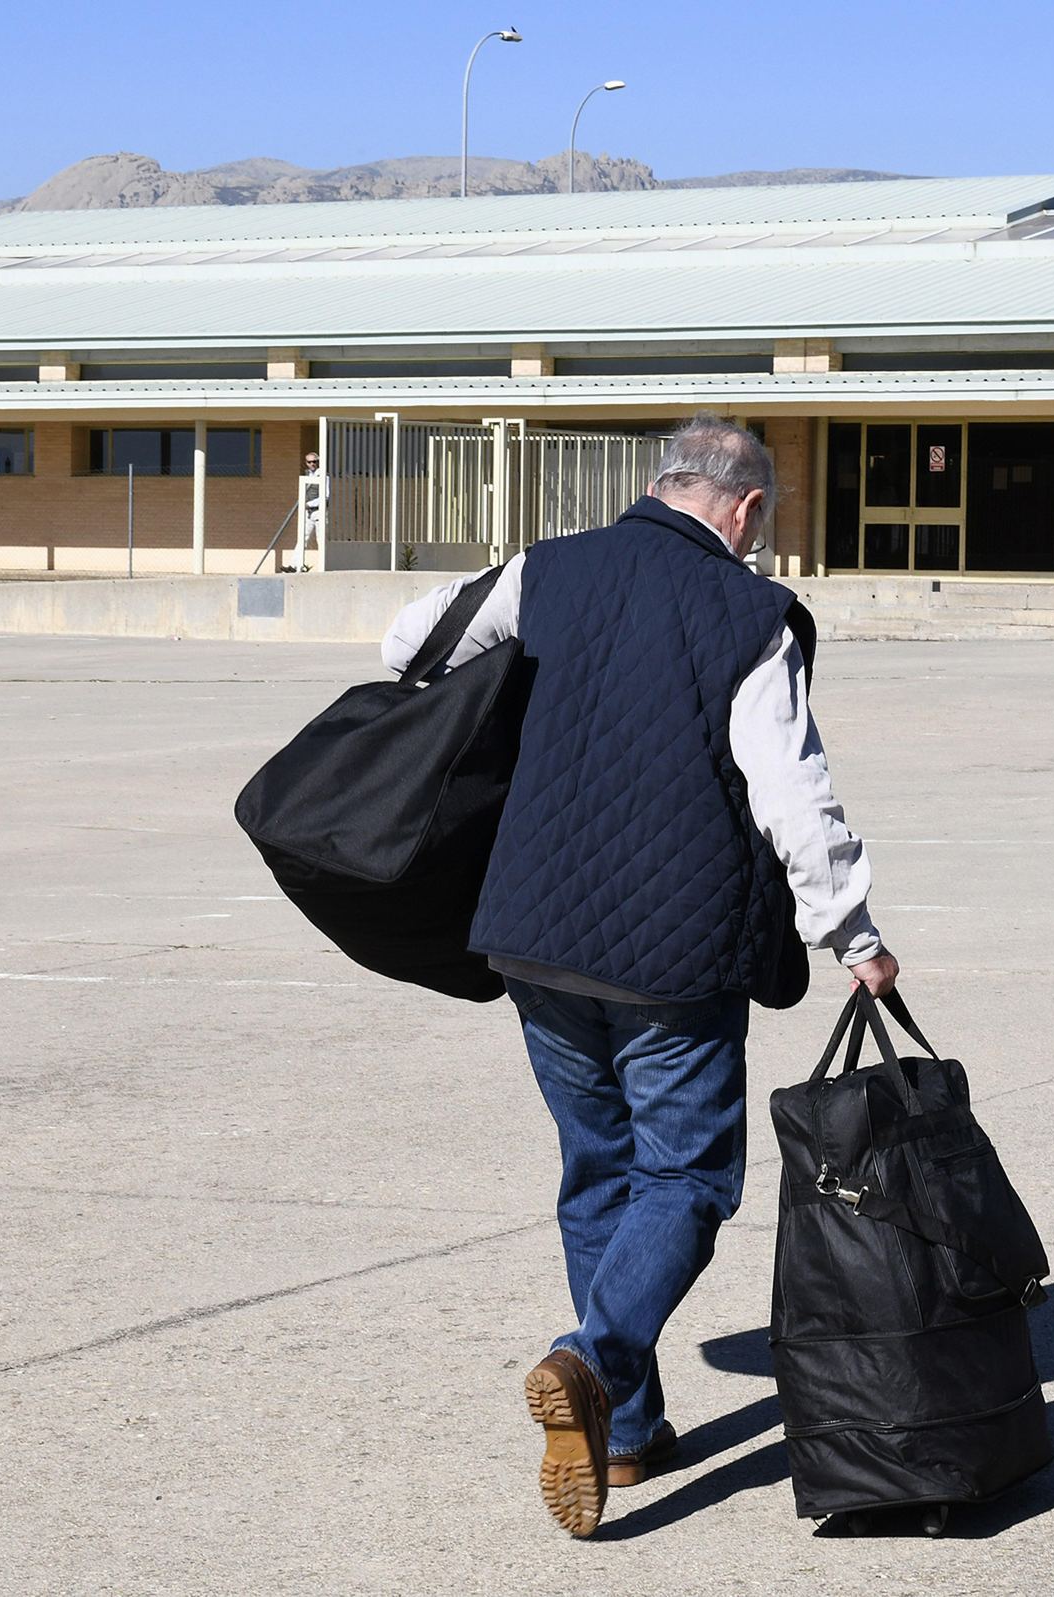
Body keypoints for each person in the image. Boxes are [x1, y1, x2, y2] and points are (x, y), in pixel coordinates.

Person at [378, 414, 897, 1539]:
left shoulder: (553, 565)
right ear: (747, 509)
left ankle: (623, 1432)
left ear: (660, 485)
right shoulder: (750, 613)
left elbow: (408, 641)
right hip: (673, 953)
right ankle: (592, 1359)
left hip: (529, 929)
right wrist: (852, 934)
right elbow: (792, 792)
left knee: (597, 1168)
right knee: (689, 1179)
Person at [288, 450, 328, 573]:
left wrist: (309, 504)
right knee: (302, 538)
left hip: (319, 512)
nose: (312, 464)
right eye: (309, 462)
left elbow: (325, 496)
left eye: (314, 462)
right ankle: (295, 565)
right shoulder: (307, 475)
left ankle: (324, 567)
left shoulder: (324, 476)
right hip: (308, 512)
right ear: (306, 463)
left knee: (321, 539)